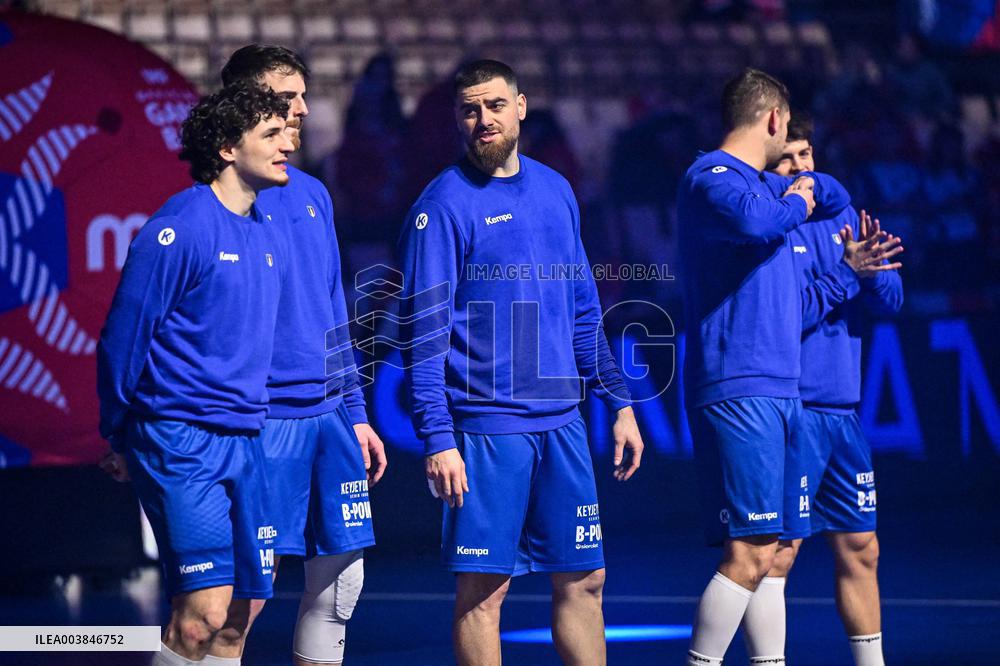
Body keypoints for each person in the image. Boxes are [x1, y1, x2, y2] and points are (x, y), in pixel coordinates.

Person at [396, 59, 645, 666]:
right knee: (485, 594)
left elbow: (584, 309)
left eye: (495, 106)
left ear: (522, 107)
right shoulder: (443, 206)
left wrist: (620, 403)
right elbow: (423, 337)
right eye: (470, 110)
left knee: (586, 582)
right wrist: (437, 438)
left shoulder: (557, 190)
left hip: (563, 424)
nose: (483, 120)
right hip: (486, 430)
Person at [96, 82, 293, 665]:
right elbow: (122, 339)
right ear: (228, 148)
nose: (288, 144)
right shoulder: (179, 227)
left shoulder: (264, 229)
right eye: (271, 135)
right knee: (201, 614)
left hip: (248, 438)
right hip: (181, 439)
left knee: (237, 618)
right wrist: (119, 432)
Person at [676, 68, 857, 666]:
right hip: (739, 382)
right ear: (774, 120)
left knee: (773, 547)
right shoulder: (713, 177)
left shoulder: (766, 188)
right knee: (751, 548)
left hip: (782, 387)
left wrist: (804, 192)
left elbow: (832, 196)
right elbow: (758, 220)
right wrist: (799, 196)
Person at [220, 44, 388, 666]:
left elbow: (331, 313)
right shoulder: (219, 198)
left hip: (329, 418)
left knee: (341, 584)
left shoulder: (314, 194)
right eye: (284, 96)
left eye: (301, 95)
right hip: (259, 423)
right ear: (241, 103)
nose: (302, 109)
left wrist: (359, 414)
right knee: (238, 602)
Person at [742, 113, 903, 666]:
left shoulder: (840, 219)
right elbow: (782, 319)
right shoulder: (766, 233)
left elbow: (893, 298)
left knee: (863, 547)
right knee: (779, 554)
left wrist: (870, 269)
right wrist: (845, 275)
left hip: (843, 413)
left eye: (806, 155)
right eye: (786, 158)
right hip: (795, 412)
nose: (799, 169)